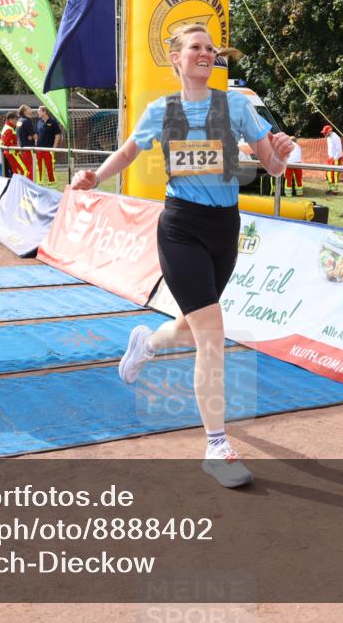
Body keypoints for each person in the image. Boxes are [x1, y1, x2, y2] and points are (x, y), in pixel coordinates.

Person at [71, 24, 292, 488]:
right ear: (176, 58)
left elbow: (270, 166)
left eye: (211, 48)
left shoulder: (236, 105)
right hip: (181, 228)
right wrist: (96, 175)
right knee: (212, 333)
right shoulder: (162, 111)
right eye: (196, 47)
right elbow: (129, 151)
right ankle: (216, 446)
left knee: (192, 327)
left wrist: (283, 154)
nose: (206, 53)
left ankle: (146, 344)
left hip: (224, 229)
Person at [35, 105, 61, 185]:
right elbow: (37, 134)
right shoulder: (38, 122)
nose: (38, 112)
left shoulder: (53, 122)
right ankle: (40, 182)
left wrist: (54, 148)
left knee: (50, 166)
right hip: (39, 149)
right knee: (39, 167)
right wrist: (35, 143)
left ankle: (52, 183)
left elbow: (58, 135)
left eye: (39, 111)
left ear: (44, 112)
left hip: (49, 149)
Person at [0, 111, 27, 178]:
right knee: (23, 170)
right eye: (15, 119)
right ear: (11, 119)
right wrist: (18, 147)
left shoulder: (8, 127)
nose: (17, 121)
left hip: (11, 152)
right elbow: (7, 144)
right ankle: (20, 186)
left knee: (16, 171)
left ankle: (16, 186)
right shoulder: (9, 129)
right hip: (12, 153)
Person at [16, 104, 36, 181]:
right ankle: (30, 184)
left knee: (26, 168)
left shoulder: (19, 121)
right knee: (30, 168)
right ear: (25, 111)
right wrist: (33, 136)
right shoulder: (27, 121)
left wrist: (30, 136)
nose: (30, 108)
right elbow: (34, 136)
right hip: (28, 148)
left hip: (22, 148)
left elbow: (20, 134)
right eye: (28, 108)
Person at [322, 124, 343, 194]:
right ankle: (330, 188)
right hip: (330, 157)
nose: (324, 134)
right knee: (328, 174)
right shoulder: (328, 137)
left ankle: (335, 190)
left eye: (325, 132)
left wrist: (335, 159)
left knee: (334, 174)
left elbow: (339, 149)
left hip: (336, 158)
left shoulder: (336, 137)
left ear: (330, 131)